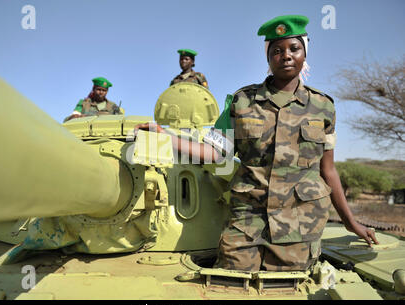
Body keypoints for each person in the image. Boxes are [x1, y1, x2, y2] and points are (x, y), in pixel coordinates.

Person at [136, 15, 378, 272]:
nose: (285, 56)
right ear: (268, 57)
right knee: (229, 282)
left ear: (304, 54)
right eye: (277, 50)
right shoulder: (242, 102)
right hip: (246, 223)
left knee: (289, 290)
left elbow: (327, 170)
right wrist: (165, 134)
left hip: (299, 225)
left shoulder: (323, 107)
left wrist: (350, 221)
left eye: (294, 49)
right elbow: (214, 153)